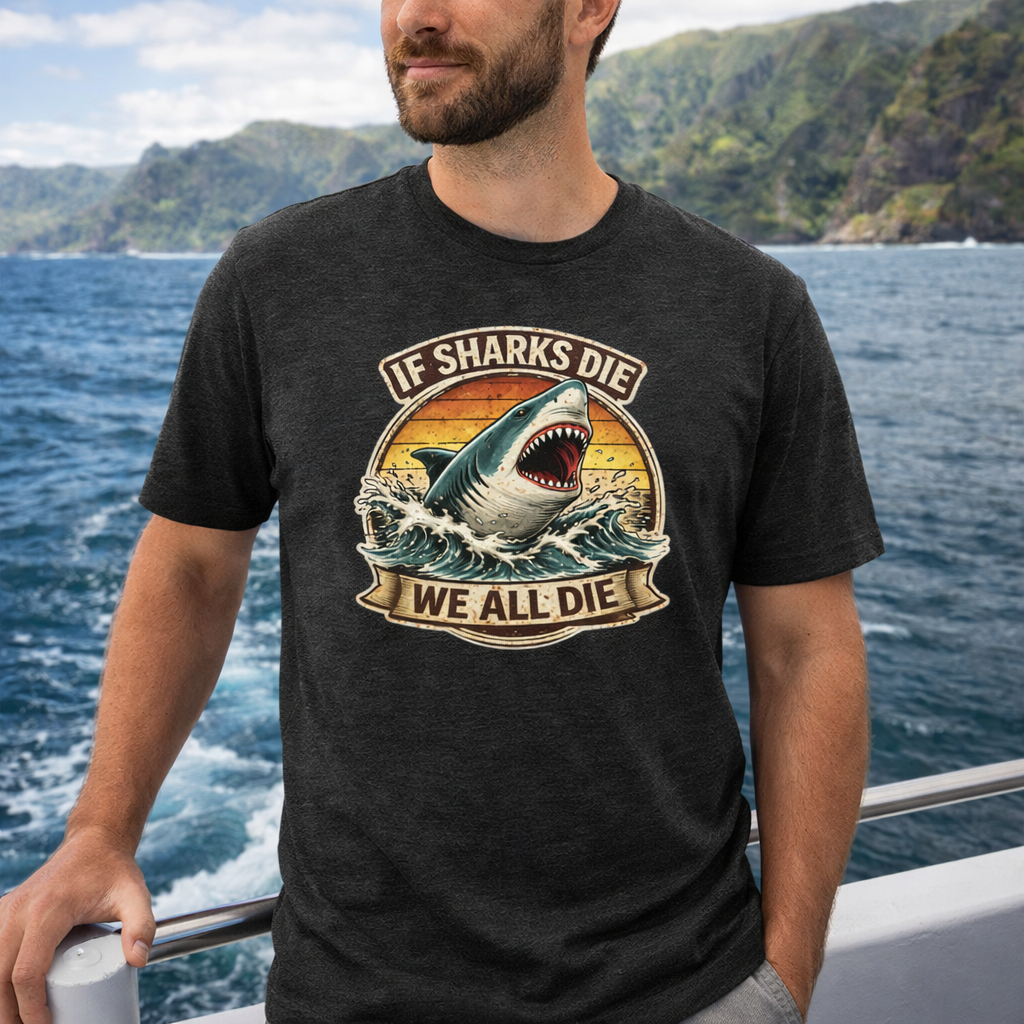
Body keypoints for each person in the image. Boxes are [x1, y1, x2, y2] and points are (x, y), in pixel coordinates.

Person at [0, 1, 884, 1022]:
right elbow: (193, 564)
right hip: (355, 995)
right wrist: (102, 829)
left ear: (589, 8)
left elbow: (806, 648)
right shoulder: (277, 278)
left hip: (683, 985)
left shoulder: (750, 307)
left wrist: (786, 978)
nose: (416, 14)